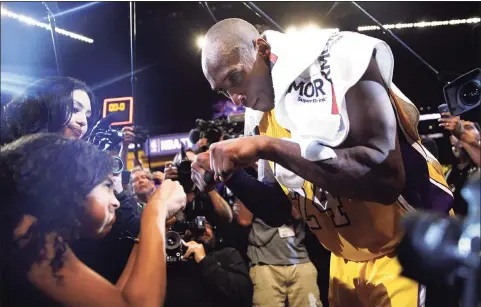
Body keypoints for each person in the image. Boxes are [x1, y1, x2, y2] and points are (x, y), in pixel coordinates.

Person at [192, 18, 454, 307]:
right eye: (223, 90)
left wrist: (267, 147)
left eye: (235, 77)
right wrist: (228, 176)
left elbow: (385, 178)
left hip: (408, 246)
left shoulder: (339, 56)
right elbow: (280, 208)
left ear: (262, 49)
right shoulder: (261, 115)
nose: (235, 97)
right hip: (345, 258)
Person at [0, 133, 186, 307]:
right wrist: (156, 209)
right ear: (72, 183)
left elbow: (118, 299)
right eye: (107, 186)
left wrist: (146, 230)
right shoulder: (25, 235)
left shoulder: (37, 235)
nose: (116, 202)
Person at [164, 218, 253, 307]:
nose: (202, 230)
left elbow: (243, 291)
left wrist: (204, 260)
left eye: (206, 225)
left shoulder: (227, 254)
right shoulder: (179, 260)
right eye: (197, 226)